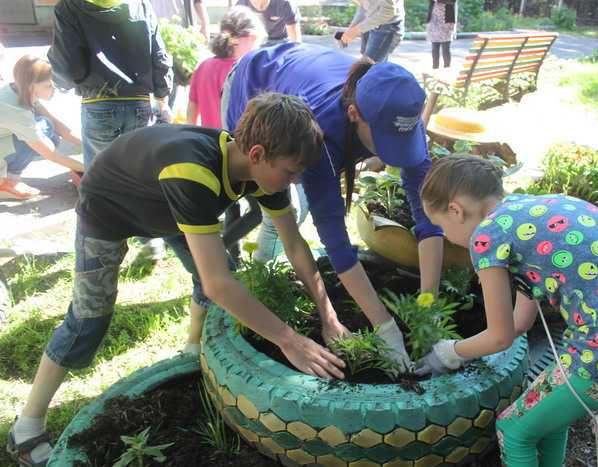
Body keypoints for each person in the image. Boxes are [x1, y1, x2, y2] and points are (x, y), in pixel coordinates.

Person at [6, 93, 346, 467]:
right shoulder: (194, 171)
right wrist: (289, 340)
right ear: (257, 154)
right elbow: (219, 284)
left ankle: (190, 354)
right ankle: (26, 427)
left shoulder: (261, 174)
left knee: (213, 280)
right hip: (109, 207)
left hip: (166, 206)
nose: (294, 181)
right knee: (89, 319)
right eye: (291, 172)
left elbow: (295, 245)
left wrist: (328, 317)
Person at [416, 156, 598, 466]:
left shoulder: (487, 236)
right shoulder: (529, 215)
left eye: (440, 226)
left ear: (455, 210)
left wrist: (447, 353)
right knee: (546, 421)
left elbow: (500, 337)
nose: (445, 236)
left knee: (514, 430)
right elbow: (521, 321)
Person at [224, 43, 446, 372]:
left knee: (281, 211)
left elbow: (428, 217)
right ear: (355, 115)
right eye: (386, 140)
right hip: (254, 82)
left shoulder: (401, 113)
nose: (395, 151)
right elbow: (335, 241)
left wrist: (429, 305)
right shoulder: (322, 134)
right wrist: (386, 328)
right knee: (276, 209)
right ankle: (253, 276)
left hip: (305, 81)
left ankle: (256, 265)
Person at [48, 0, 173, 169]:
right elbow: (159, 56)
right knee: (139, 175)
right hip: (139, 103)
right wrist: (162, 98)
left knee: (100, 177)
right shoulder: (141, 4)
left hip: (97, 102)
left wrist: (62, 84)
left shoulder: (69, 6)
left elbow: (67, 65)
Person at [0, 56, 84, 200]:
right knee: (41, 133)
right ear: (32, 85)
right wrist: (91, 168)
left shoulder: (19, 89)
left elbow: (56, 124)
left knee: (46, 125)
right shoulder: (14, 110)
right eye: (49, 86)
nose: (54, 90)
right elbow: (50, 154)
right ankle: (6, 183)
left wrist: (88, 146)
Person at [187, 6, 266, 128]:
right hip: (235, 143)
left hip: (208, 141)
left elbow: (192, 106)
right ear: (251, 37)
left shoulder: (204, 66)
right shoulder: (246, 70)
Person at [339, 0, 404, 62]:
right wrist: (351, 30)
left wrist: (357, 30)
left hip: (388, 26)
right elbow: (364, 6)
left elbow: (388, 12)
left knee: (368, 65)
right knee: (366, 63)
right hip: (371, 21)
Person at [236, 0, 301, 46]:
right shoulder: (241, 5)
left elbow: (295, 39)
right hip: (257, 42)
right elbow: (239, 34)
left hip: (282, 41)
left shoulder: (285, 3)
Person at [426, 0, 457, 69]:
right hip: (434, 19)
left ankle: (447, 69)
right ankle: (435, 69)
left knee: (446, 49)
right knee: (435, 48)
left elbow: (452, 1)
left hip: (447, 19)